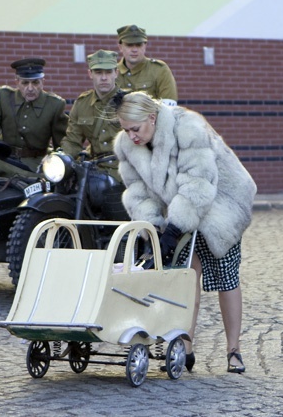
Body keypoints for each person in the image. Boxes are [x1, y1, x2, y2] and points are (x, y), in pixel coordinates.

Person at [113, 91, 256, 373]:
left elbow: (198, 182)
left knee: (225, 275)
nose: (131, 136)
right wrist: (153, 230)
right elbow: (138, 192)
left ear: (152, 118)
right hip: (182, 205)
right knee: (185, 276)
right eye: (125, 130)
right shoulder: (127, 145)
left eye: (136, 129)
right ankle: (183, 348)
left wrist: (174, 230)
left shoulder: (187, 127)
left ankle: (234, 350)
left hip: (221, 203)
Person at [0, 58, 68, 176]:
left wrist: (54, 160)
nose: (30, 88)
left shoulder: (54, 105)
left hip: (34, 165)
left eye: (35, 82)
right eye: (25, 83)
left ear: (43, 82)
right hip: (2, 160)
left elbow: (63, 143)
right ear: (17, 82)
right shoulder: (4, 97)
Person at [60, 50, 123, 182]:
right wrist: (60, 157)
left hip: (125, 171)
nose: (104, 77)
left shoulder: (130, 101)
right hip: (95, 171)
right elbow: (73, 140)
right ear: (90, 74)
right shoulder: (82, 104)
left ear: (116, 73)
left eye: (108, 72)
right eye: (98, 72)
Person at [116, 25, 178, 106]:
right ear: (120, 47)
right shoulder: (112, 72)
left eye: (139, 45)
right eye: (129, 45)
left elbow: (169, 107)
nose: (134, 50)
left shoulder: (159, 70)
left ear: (145, 46)